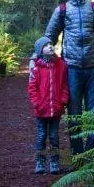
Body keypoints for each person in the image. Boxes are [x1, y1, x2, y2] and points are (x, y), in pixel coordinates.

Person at [42, 0, 94, 155]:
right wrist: (42, 56)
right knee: (74, 115)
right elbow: (49, 37)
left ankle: (93, 155)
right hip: (71, 69)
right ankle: (78, 156)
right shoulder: (62, 10)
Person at [27, 37, 69, 174]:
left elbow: (64, 85)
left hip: (56, 109)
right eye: (46, 45)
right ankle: (40, 161)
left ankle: (55, 161)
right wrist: (37, 103)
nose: (50, 47)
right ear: (40, 50)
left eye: (52, 44)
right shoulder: (36, 68)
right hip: (41, 110)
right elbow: (32, 88)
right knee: (41, 136)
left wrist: (63, 101)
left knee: (54, 136)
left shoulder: (61, 65)